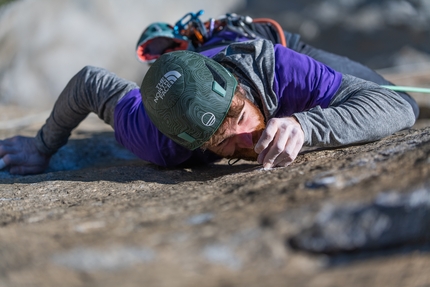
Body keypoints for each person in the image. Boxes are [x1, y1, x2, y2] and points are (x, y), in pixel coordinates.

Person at [0, 14, 418, 175]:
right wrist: (42, 150)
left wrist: (306, 124)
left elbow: (397, 105)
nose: (248, 137)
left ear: (239, 90)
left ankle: (199, 38)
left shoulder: (276, 68)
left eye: (238, 115)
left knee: (396, 94)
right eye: (223, 142)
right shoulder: (157, 139)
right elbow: (89, 84)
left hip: (257, 41)